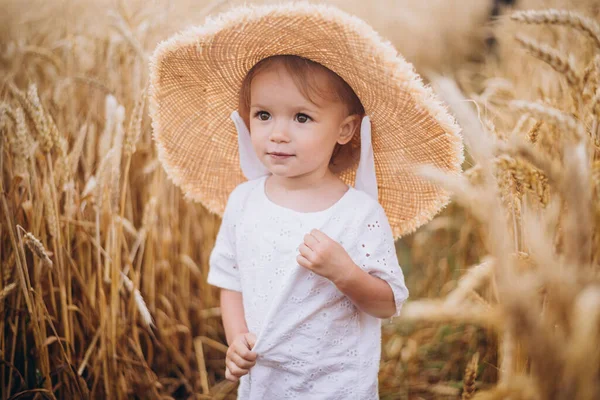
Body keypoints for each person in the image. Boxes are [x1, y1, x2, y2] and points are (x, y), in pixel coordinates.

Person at [149, 2, 463, 399]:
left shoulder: (359, 214)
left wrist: (345, 273)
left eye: (301, 118)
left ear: (345, 129)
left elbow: (387, 304)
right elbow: (231, 281)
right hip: (266, 383)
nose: (278, 134)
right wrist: (236, 338)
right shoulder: (244, 202)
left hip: (339, 385)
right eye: (263, 115)